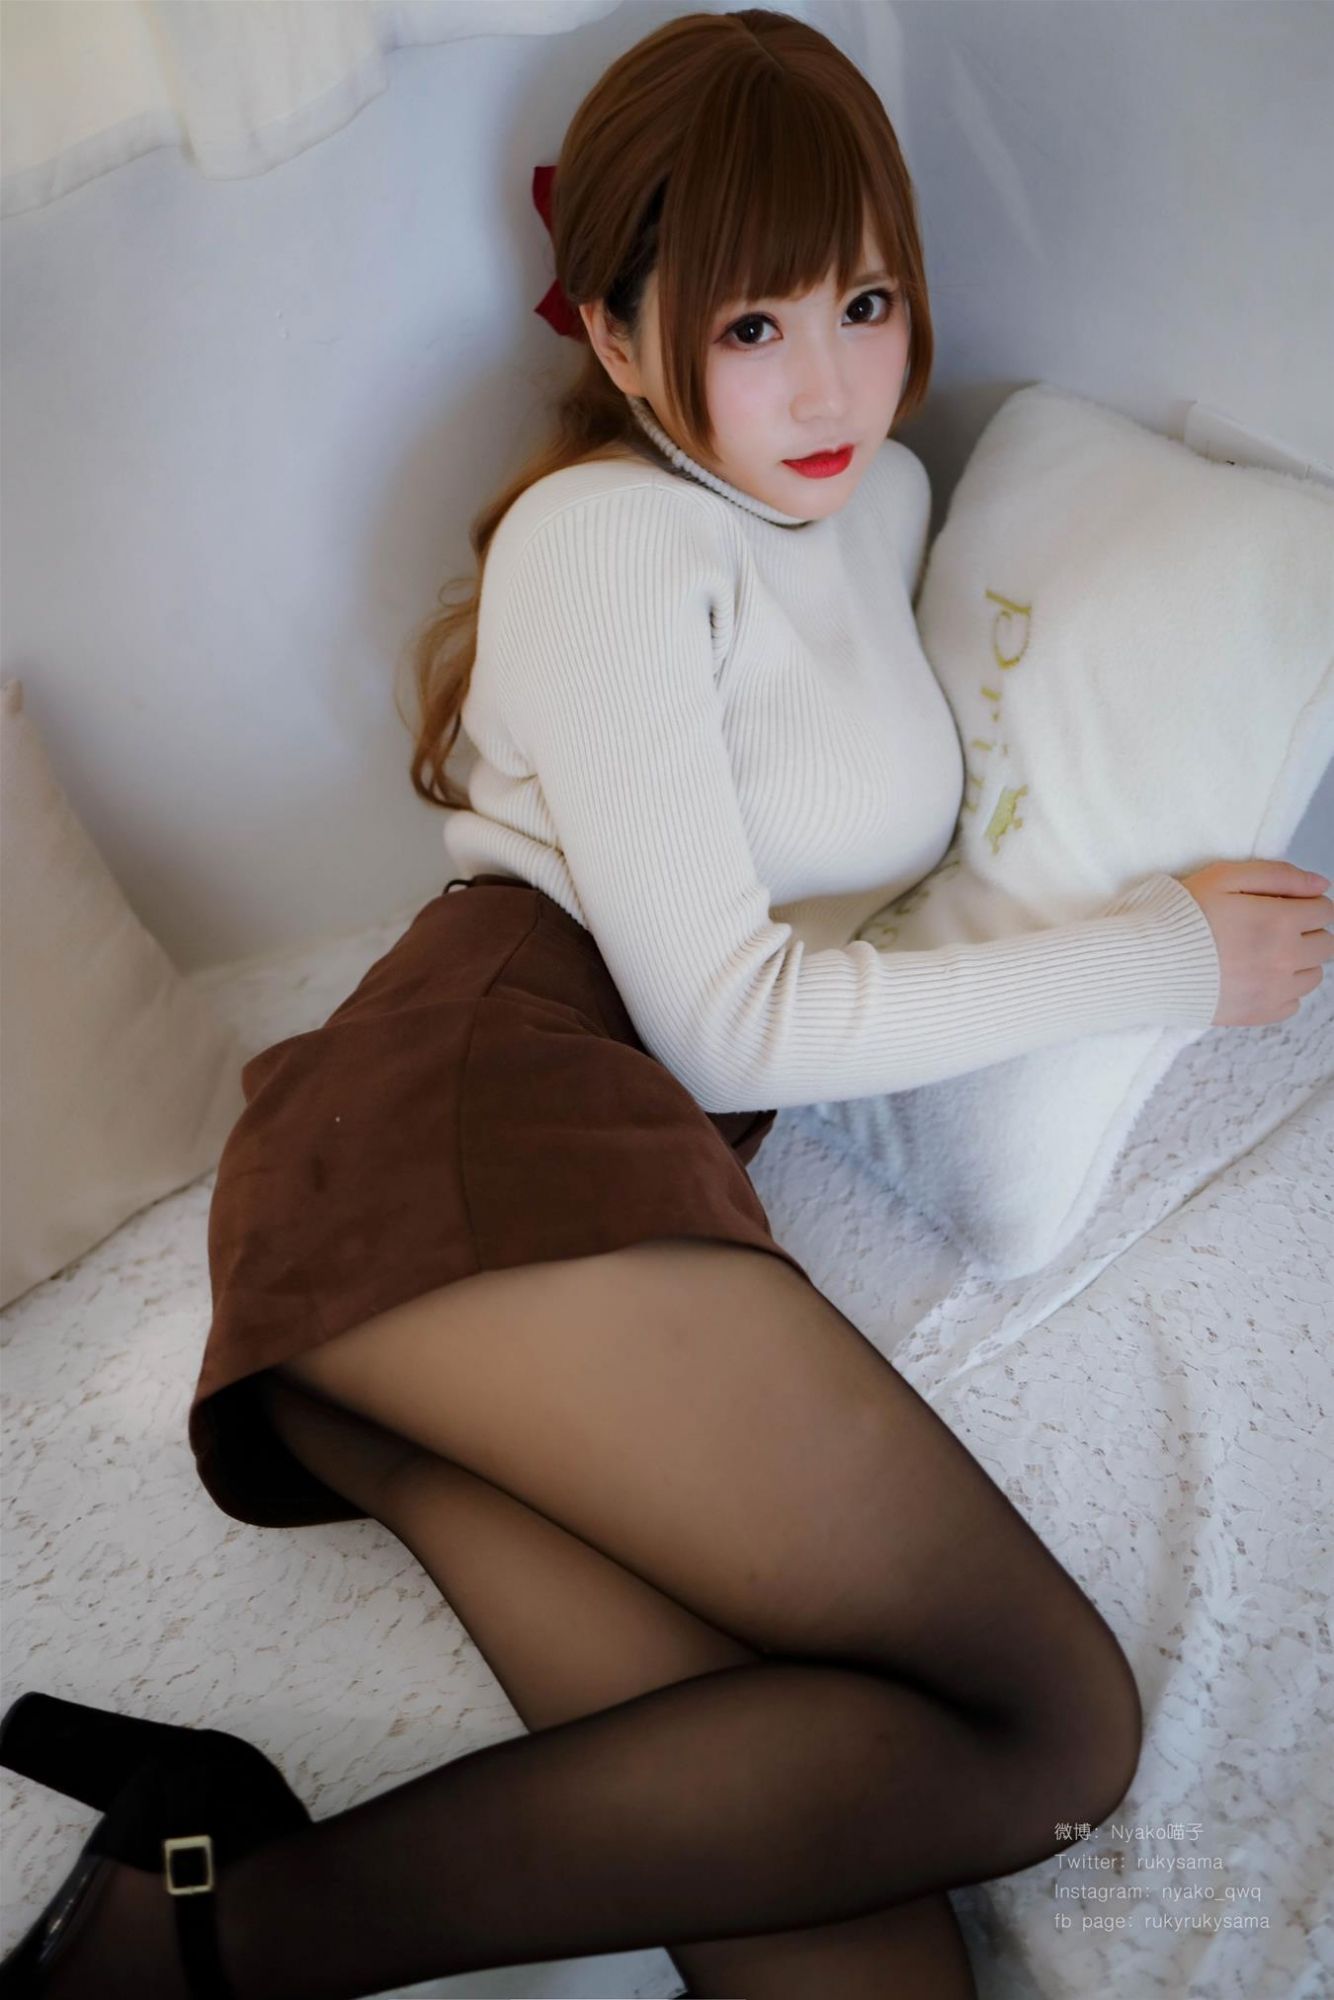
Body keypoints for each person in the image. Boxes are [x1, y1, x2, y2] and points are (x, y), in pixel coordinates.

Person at [4, 10, 1329, 1998]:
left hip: (554, 1203)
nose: (830, 381)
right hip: (470, 1115)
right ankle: (188, 1935)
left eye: (862, 300)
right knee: (1054, 1728)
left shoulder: (880, 507)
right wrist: (1165, 953)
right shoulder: (605, 533)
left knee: (870, 1968)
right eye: (749, 326)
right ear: (621, 344)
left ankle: (192, 1869)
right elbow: (724, 1022)